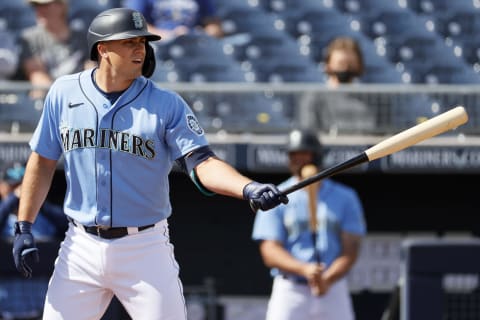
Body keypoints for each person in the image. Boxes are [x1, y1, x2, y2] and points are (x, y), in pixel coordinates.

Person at [11, 7, 288, 320]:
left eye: (142, 42)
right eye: (129, 42)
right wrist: (24, 225)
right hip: (80, 246)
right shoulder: (63, 92)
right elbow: (43, 160)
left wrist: (247, 187)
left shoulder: (165, 103)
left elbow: (201, 161)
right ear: (103, 49)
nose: (139, 49)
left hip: (143, 247)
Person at [252, 129, 367, 320]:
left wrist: (327, 278)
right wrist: (305, 270)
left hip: (332, 287)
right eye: (294, 155)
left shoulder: (345, 197)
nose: (300, 160)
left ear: (317, 156)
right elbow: (270, 252)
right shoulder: (276, 196)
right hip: (291, 288)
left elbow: (351, 250)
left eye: (304, 154)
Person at [298, 36, 376, 135]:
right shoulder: (313, 97)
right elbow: (309, 132)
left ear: (359, 65)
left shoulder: (372, 98)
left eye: (350, 64)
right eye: (340, 64)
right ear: (328, 65)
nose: (346, 68)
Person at [18, 0, 95, 98]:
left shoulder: (82, 37)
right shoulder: (29, 39)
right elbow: (37, 77)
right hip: (48, 101)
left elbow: (91, 71)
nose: (39, 10)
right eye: (36, 6)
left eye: (45, 5)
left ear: (61, 6)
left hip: (81, 98)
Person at [0, 161, 67, 239]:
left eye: (24, 186)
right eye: (13, 186)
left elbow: (66, 224)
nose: (21, 191)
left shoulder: (45, 213)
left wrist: (36, 201)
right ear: (1, 187)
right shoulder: (3, 211)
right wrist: (13, 198)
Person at [122, 0, 224, 42]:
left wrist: (199, 35)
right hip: (157, 47)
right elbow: (133, 25)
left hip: (194, 45)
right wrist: (171, 36)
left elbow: (214, 25)